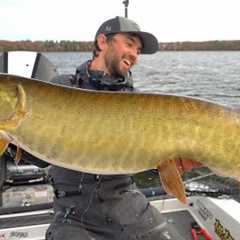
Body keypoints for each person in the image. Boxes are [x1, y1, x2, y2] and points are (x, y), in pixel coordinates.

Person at [46, 16, 187, 240]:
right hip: (73, 213)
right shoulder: (61, 88)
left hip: (126, 204)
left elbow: (152, 158)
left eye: (138, 51)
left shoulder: (139, 103)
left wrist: (172, 161)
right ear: (102, 42)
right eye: (129, 44)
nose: (135, 55)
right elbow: (38, 155)